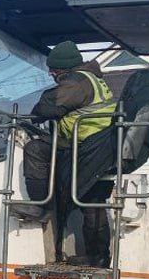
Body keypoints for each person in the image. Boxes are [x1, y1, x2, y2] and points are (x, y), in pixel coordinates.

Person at [19, 41, 116, 266]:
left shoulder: (77, 82)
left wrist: (31, 118)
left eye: (54, 69)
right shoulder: (92, 79)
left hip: (87, 147)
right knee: (92, 200)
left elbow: (48, 104)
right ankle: (98, 256)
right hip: (96, 146)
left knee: (35, 149)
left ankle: (40, 205)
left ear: (64, 68)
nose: (51, 73)